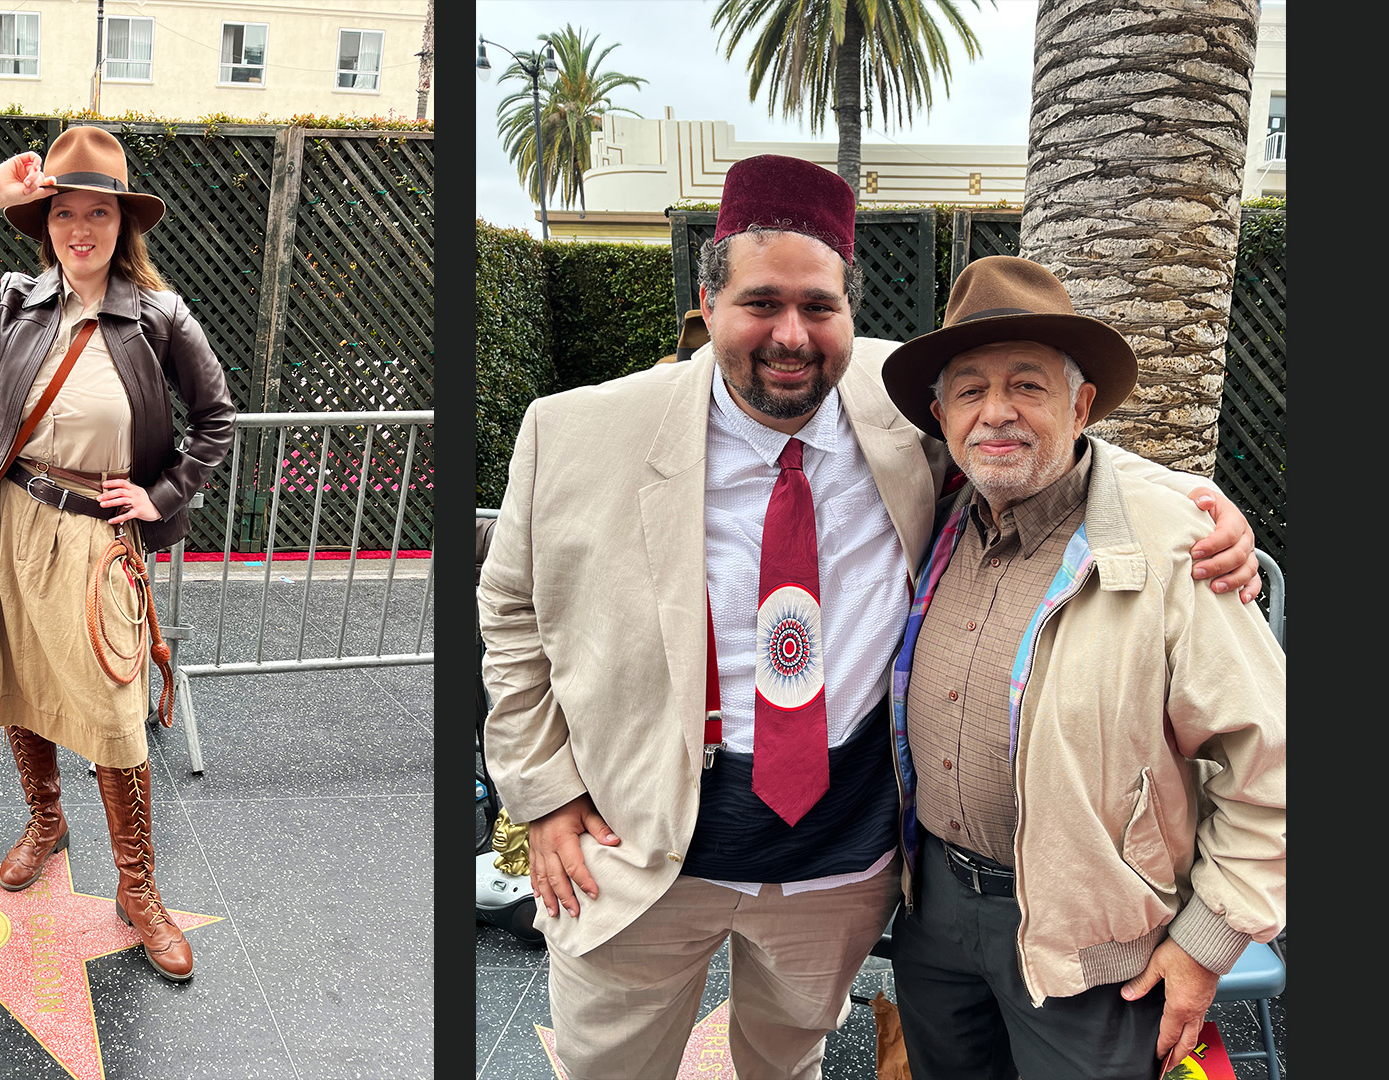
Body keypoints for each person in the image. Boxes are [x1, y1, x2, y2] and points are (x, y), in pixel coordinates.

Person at [476, 154, 1260, 1080]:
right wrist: (545, 792)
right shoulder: (574, 432)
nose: (792, 335)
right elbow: (511, 613)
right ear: (707, 301)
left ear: (852, 307)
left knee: (789, 1062)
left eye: (820, 306)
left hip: (840, 858)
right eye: (761, 302)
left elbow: (1045, 435)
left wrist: (1196, 504)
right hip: (640, 848)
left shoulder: (905, 407)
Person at [876, 255, 1285, 1080]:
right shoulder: (932, 519)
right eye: (970, 391)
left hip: (1096, 948)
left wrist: (1205, 947)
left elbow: (1271, 764)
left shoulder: (1174, 544)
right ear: (940, 415)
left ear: (1081, 404)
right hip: (934, 915)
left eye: (1028, 386)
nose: (997, 413)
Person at [0, 125, 235, 982]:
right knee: (18, 680)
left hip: (97, 540)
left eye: (98, 214)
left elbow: (216, 421)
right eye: (64, 214)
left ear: (125, 225)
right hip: (12, 524)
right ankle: (46, 823)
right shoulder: (16, 301)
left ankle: (137, 888)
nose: (80, 230)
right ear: (45, 222)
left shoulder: (160, 317)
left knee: (116, 720)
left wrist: (159, 497)